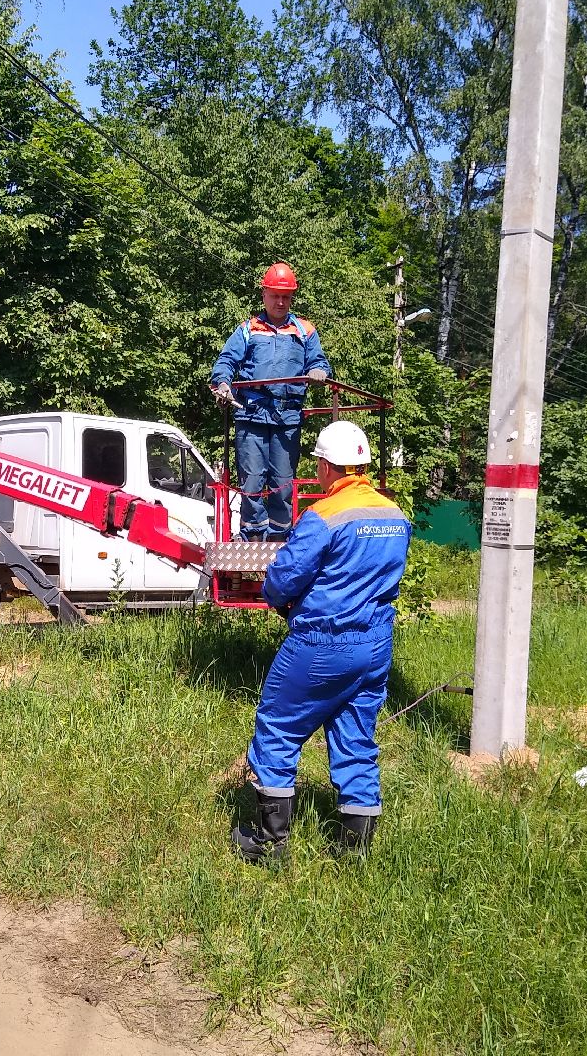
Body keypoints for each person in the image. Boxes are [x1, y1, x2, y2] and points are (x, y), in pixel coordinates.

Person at [231, 420, 411, 863]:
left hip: (322, 642)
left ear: (328, 466)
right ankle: (354, 851)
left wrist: (275, 594)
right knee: (355, 738)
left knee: (277, 726)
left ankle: (272, 844)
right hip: (375, 644)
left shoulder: (324, 516)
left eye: (318, 462)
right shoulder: (394, 514)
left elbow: (283, 579)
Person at [210, 263, 331, 541]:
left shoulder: (305, 331)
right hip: (251, 415)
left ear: (291, 298)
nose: (280, 301)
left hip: (286, 418)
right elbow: (226, 361)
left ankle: (279, 535)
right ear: (264, 294)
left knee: (283, 483)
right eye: (275, 295)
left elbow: (320, 362)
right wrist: (224, 384)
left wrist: (319, 372)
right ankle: (252, 534)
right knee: (251, 479)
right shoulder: (248, 330)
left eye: (285, 297)